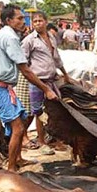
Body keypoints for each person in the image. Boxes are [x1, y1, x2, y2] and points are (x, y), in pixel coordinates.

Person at [0, 4, 58, 171]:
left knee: (21, 122)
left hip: (3, 86)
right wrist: (46, 89)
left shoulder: (1, 34)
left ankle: (18, 158)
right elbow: (25, 69)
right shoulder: (10, 38)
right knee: (18, 127)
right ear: (9, 20)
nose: (23, 21)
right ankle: (11, 168)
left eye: (23, 18)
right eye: (19, 18)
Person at [21, 11, 71, 155]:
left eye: (40, 20)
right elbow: (22, 61)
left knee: (55, 110)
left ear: (46, 21)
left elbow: (57, 58)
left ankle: (54, 139)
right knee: (39, 113)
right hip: (37, 81)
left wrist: (65, 74)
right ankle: (41, 141)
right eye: (35, 21)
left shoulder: (51, 37)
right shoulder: (29, 40)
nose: (38, 23)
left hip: (51, 79)